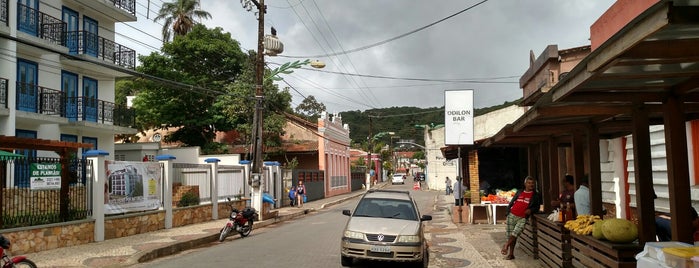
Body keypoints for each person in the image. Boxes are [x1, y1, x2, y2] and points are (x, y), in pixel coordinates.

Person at [501, 176, 541, 260]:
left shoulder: (535, 195)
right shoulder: (519, 192)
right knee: (511, 236)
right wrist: (508, 212)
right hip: (512, 215)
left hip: (522, 218)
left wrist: (531, 210)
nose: (531, 185)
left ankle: (506, 245)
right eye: (529, 183)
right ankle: (511, 254)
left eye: (532, 183)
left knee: (515, 233)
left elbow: (537, 207)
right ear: (525, 184)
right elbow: (512, 202)